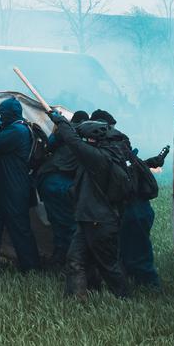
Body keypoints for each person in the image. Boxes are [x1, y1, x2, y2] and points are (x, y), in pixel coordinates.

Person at [47, 110, 132, 299]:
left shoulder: (99, 158)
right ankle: (76, 300)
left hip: (99, 220)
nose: (84, 141)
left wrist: (59, 120)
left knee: (108, 265)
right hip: (89, 218)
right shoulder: (104, 154)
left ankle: (124, 298)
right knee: (75, 260)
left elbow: (73, 142)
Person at [89, 108, 168, 291]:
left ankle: (151, 287)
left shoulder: (111, 148)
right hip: (133, 209)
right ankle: (135, 281)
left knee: (138, 252)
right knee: (127, 249)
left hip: (134, 209)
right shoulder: (119, 146)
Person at [0, 98, 40, 272]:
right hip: (5, 188)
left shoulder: (17, 131)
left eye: (1, 115)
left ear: (9, 115)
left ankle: (31, 268)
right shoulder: (20, 128)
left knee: (20, 230)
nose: (0, 118)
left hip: (14, 189)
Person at [36, 110, 88, 269]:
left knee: (59, 223)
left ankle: (61, 260)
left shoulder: (65, 131)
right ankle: (70, 263)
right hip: (62, 182)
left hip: (50, 181)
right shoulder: (85, 134)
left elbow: (49, 145)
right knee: (69, 225)